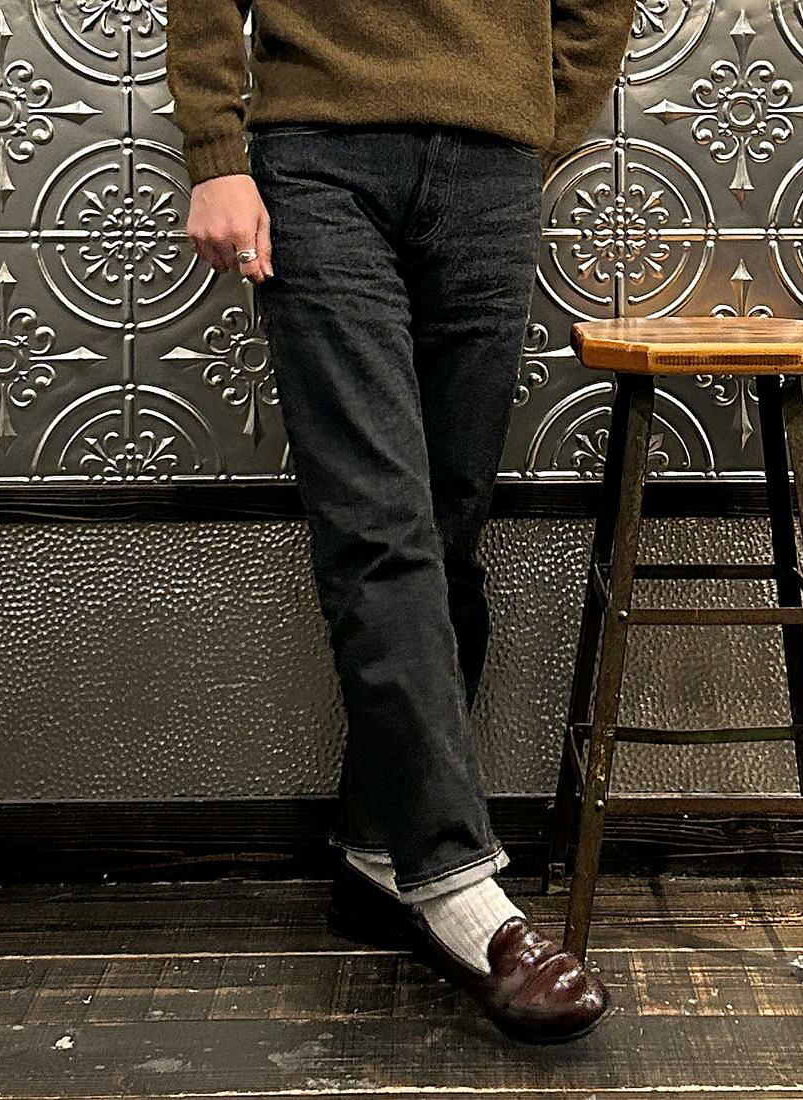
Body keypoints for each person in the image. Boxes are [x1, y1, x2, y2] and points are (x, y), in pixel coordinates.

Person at [165, 0, 633, 1044]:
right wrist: (215, 153)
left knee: (447, 527)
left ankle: (378, 856)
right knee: (379, 526)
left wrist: (537, 121)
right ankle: (464, 888)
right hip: (317, 160)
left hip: (492, 168)